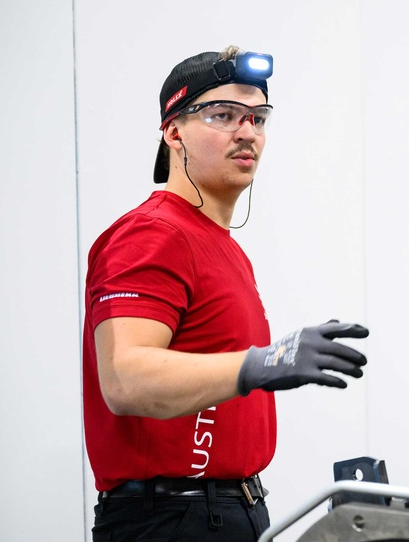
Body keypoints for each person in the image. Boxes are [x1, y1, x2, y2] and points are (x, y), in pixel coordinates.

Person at [82, 45, 369, 541]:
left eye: (258, 118)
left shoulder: (221, 246)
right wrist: (260, 364)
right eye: (222, 115)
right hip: (172, 521)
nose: (247, 132)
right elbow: (124, 379)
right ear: (173, 132)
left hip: (227, 511)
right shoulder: (151, 234)